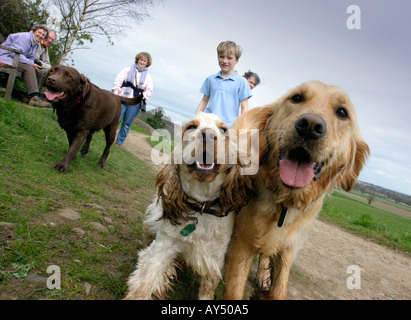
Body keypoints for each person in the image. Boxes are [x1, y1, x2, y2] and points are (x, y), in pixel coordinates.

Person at [196, 41, 251, 127]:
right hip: (206, 124)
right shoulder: (210, 79)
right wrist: (195, 119)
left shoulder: (242, 82)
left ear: (236, 60)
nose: (225, 61)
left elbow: (244, 107)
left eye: (229, 58)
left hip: (227, 128)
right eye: (221, 57)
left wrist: (242, 127)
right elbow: (204, 101)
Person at [0, 24, 51, 107]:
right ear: (34, 31)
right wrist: (31, 64)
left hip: (17, 59)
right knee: (29, 68)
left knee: (39, 71)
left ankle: (29, 97)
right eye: (39, 32)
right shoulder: (24, 37)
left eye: (43, 35)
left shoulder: (35, 43)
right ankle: (34, 97)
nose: (40, 35)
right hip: (6, 58)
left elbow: (31, 57)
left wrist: (33, 64)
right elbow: (13, 53)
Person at [112, 52, 153, 146]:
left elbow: (149, 91)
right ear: (137, 59)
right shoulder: (127, 70)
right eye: (141, 59)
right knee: (115, 119)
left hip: (134, 102)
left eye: (144, 61)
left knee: (126, 123)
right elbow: (118, 81)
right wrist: (116, 94)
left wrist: (142, 96)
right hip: (122, 98)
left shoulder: (148, 77)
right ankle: (108, 137)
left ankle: (119, 142)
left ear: (147, 63)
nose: (142, 62)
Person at [35, 29, 57, 94]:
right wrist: (49, 67)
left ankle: (43, 94)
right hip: (30, 64)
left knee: (48, 72)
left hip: (37, 66)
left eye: (52, 40)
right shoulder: (37, 43)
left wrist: (50, 68)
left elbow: (47, 62)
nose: (50, 40)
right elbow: (35, 59)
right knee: (44, 71)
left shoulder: (45, 48)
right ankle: (36, 94)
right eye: (49, 38)